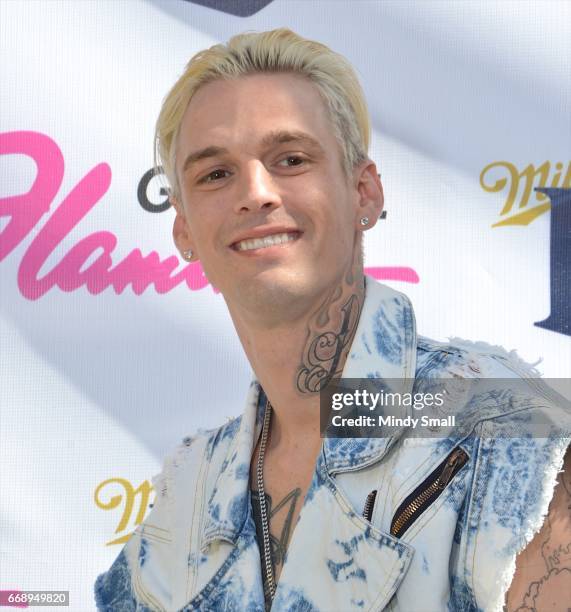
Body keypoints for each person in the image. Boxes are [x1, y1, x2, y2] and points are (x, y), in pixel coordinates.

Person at [95, 28, 570, 611]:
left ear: (364, 192)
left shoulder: (498, 421)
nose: (256, 192)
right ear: (185, 232)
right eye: (215, 174)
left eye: (290, 159)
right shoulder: (193, 491)